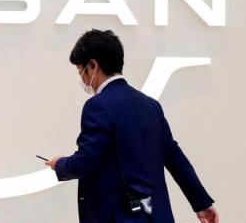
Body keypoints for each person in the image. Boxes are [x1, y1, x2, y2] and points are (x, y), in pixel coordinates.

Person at [44, 29, 219, 223]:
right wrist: (201, 203)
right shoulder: (151, 105)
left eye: (81, 71)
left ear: (93, 65)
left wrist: (59, 164)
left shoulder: (98, 105)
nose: (83, 80)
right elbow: (175, 158)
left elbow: (86, 161)